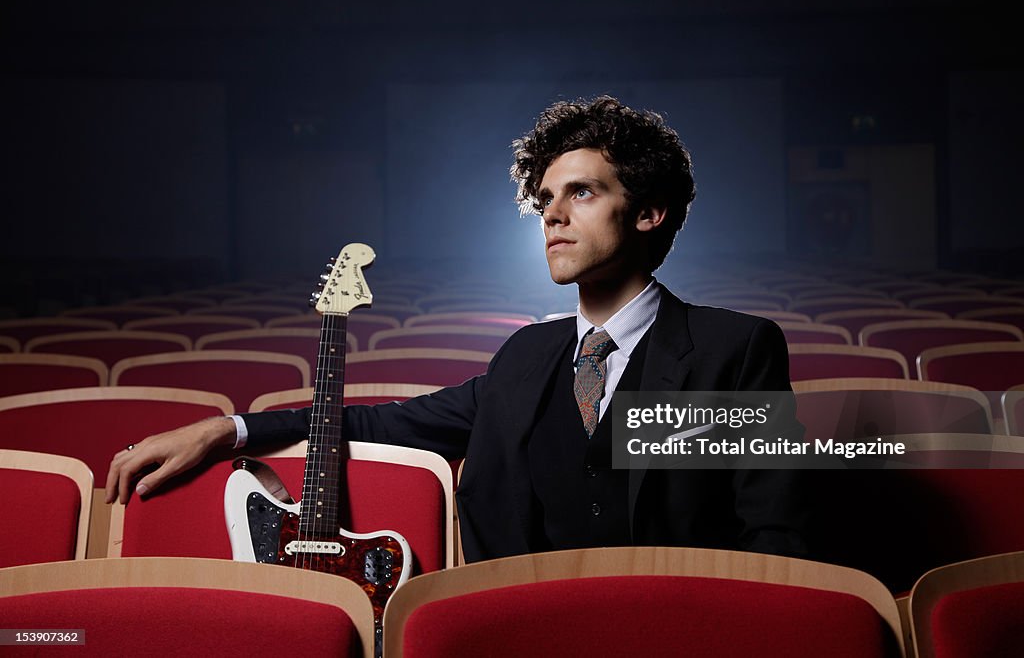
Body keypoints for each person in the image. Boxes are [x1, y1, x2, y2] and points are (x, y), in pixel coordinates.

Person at [106, 95, 807, 562]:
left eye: (581, 192)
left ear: (649, 212)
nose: (553, 215)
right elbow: (384, 422)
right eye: (544, 201)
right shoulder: (526, 357)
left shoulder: (734, 349)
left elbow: (773, 541)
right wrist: (228, 430)